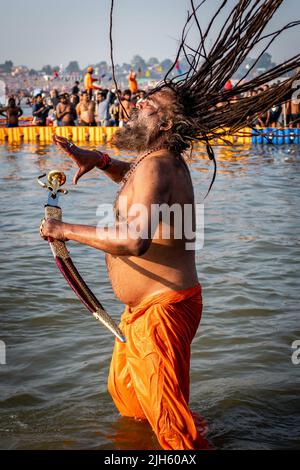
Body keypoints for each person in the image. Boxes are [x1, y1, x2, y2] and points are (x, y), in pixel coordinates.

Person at [40, 87, 210, 450]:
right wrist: (100, 161)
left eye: (148, 104)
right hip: (141, 313)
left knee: (173, 431)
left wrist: (63, 230)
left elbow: (135, 241)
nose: (138, 104)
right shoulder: (156, 161)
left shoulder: (158, 164)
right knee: (136, 411)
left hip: (163, 312)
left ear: (165, 122)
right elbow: (133, 181)